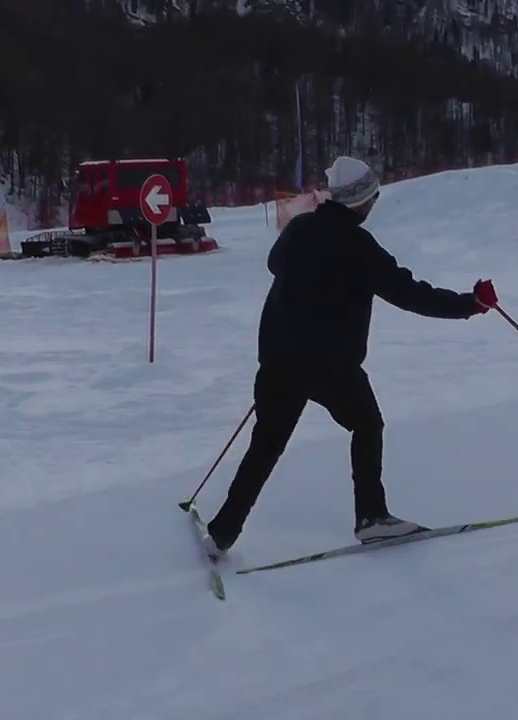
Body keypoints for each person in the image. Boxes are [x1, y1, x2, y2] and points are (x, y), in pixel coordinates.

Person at [201, 155, 499, 559]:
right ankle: (372, 518)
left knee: (266, 445)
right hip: (328, 364)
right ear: (359, 199)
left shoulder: (301, 228)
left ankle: (222, 532)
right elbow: (409, 294)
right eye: (372, 196)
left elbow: (275, 264)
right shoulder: (358, 246)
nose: (374, 203)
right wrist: (471, 304)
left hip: (277, 359)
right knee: (367, 424)